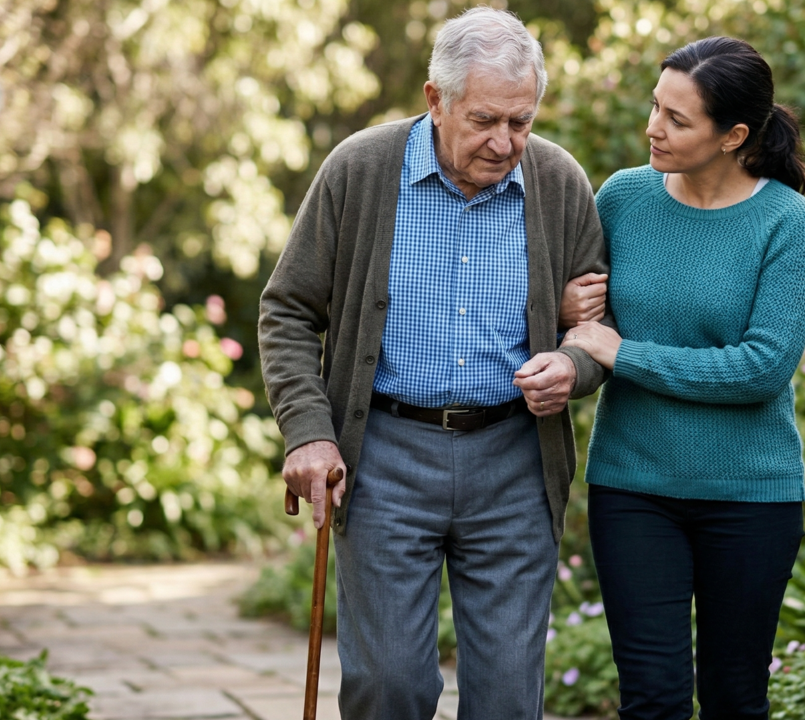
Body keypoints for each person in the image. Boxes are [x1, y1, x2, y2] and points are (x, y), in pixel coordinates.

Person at [259, 8, 615, 719]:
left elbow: (597, 326)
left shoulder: (559, 181)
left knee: (510, 697)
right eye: (485, 120)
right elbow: (288, 310)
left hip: (514, 459)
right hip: (386, 454)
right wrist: (308, 431)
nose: (505, 141)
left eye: (521, 121)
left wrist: (575, 365)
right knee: (388, 686)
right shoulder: (360, 170)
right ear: (434, 100)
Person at [559, 36, 805, 720]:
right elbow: (589, 320)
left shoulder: (786, 221)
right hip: (633, 488)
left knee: (735, 698)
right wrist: (569, 312)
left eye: (678, 119)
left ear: (734, 135)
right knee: (652, 700)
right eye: (655, 107)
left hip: (751, 497)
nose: (653, 127)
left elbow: (763, 368)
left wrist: (628, 355)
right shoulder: (622, 198)